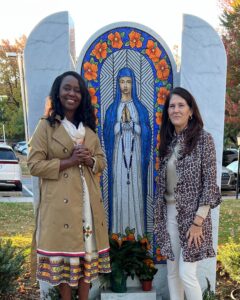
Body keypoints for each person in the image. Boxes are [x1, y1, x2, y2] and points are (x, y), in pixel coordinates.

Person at [27, 71, 111, 300]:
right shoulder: (46, 127)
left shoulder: (89, 130)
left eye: (77, 90)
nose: (72, 93)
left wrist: (89, 159)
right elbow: (33, 165)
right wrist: (68, 162)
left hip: (87, 205)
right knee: (65, 260)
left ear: (82, 96)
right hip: (60, 207)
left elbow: (101, 162)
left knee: (86, 255)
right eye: (67, 88)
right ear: (58, 92)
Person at [154, 87, 221, 300]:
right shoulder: (168, 143)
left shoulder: (204, 140)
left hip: (194, 219)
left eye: (181, 105)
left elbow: (210, 184)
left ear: (191, 111)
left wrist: (198, 222)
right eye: (172, 106)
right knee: (173, 272)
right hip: (170, 215)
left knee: (187, 273)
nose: (175, 110)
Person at [103, 67, 151, 236]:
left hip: (135, 156)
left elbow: (146, 131)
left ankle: (138, 234)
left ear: (134, 84)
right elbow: (107, 132)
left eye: (128, 82)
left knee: (136, 190)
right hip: (118, 156)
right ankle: (118, 234)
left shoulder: (140, 108)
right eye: (122, 82)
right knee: (119, 190)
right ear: (117, 84)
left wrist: (133, 126)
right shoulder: (112, 108)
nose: (125, 86)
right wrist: (119, 127)